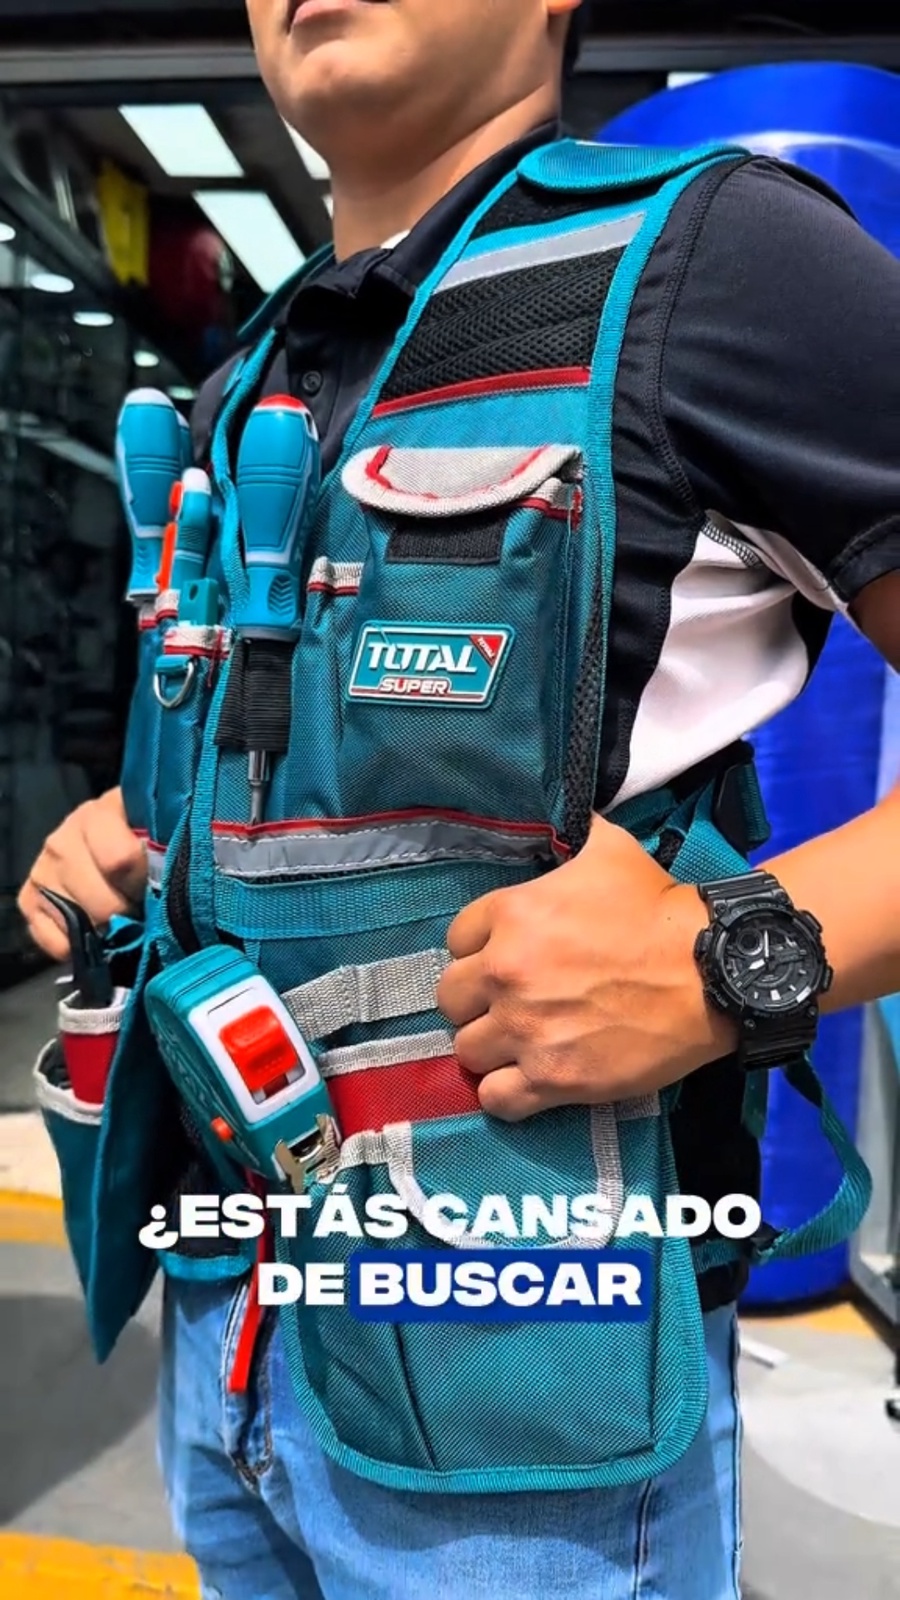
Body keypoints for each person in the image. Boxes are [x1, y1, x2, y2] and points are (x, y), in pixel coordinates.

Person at [17, 2, 900, 1596]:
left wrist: (730, 956)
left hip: (528, 1404)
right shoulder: (253, 378)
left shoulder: (717, 264)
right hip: (233, 1335)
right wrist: (139, 840)